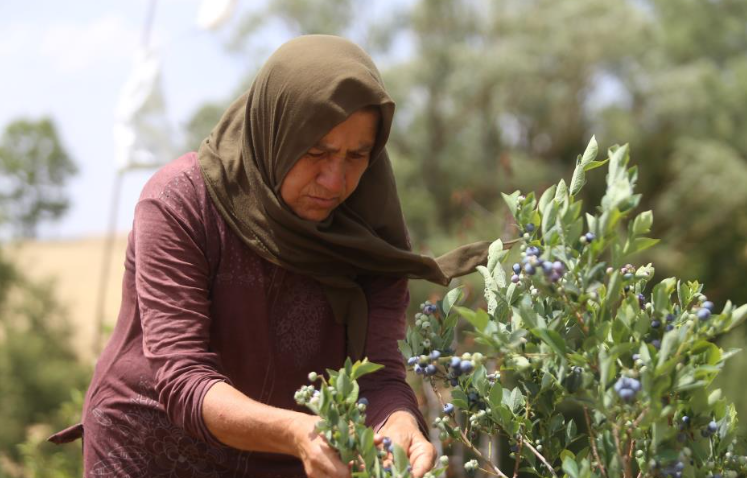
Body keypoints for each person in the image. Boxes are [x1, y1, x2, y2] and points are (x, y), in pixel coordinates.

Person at [50, 35, 492, 477]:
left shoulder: (372, 237)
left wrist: (400, 422)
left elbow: (378, 375)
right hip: (150, 448)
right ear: (276, 132)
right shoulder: (180, 203)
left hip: (286, 453)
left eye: (357, 156)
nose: (335, 181)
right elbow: (183, 377)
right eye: (316, 152)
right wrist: (294, 432)